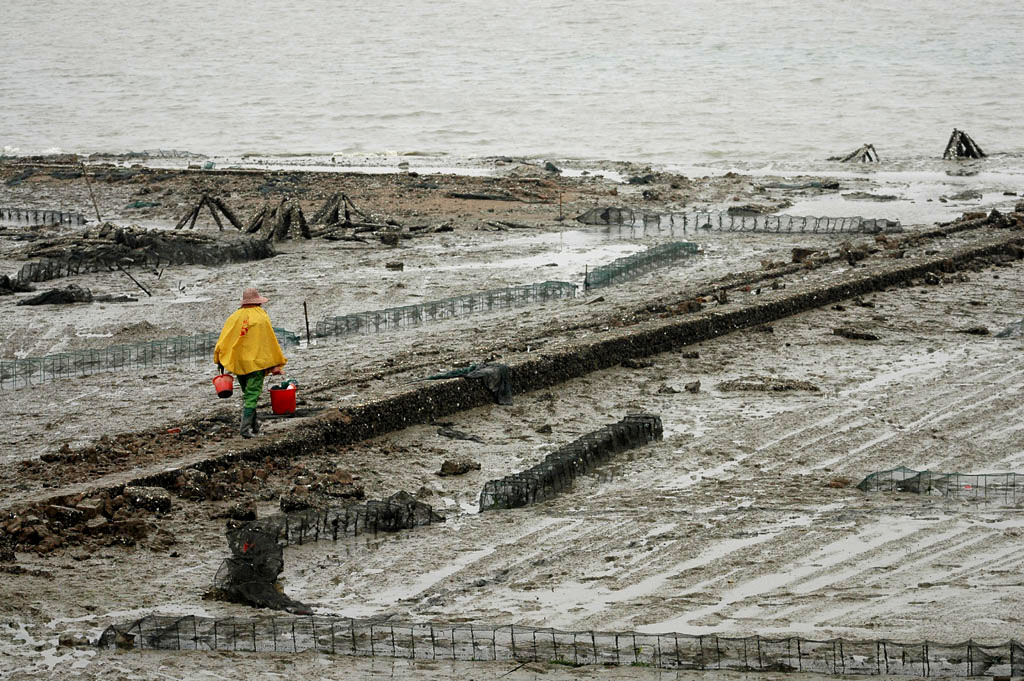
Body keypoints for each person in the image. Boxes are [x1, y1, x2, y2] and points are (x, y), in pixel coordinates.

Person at [214, 287, 287, 438]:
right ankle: (245, 430)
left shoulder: (233, 318)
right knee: (252, 395)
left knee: (248, 394)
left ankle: (254, 427)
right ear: (258, 302)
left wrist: (220, 360)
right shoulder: (261, 317)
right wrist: (275, 363)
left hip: (239, 364)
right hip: (256, 363)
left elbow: (225, 339)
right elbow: (269, 341)